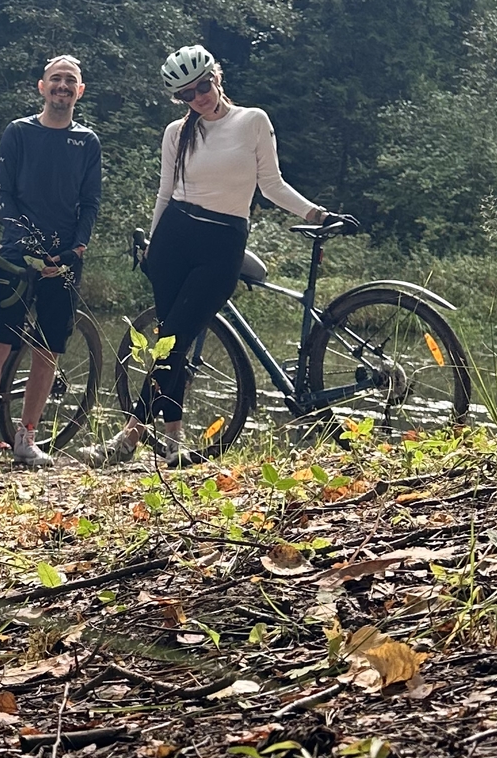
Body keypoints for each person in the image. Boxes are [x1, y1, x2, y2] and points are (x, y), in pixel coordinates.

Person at [109, 45, 345, 464]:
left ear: (216, 77)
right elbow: (166, 192)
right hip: (173, 240)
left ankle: (130, 436)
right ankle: (174, 442)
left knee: (173, 339)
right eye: (186, 95)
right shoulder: (176, 134)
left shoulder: (252, 121)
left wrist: (314, 212)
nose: (198, 97)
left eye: (202, 85)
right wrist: (152, 244)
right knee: (172, 343)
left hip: (222, 243)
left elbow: (271, 185)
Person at [0, 55, 102, 471]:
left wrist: (73, 250)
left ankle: (26, 439)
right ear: (42, 87)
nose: (63, 86)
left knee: (47, 350)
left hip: (63, 259)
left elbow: (90, 203)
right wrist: (23, 241)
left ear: (79, 92)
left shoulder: (87, 142)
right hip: (15, 255)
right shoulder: (19, 132)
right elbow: (1, 192)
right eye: (56, 79)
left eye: (71, 81)